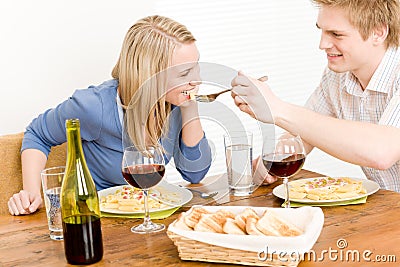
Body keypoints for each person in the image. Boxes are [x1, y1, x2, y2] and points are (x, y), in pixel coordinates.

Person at [8, 15, 212, 216]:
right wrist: (32, 191)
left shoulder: (175, 103)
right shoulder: (94, 107)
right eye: (185, 74)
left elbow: (194, 174)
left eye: (196, 67)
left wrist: (190, 109)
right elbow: (38, 134)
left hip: (150, 214)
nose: (197, 80)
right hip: (99, 221)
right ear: (150, 74)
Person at [231, 0, 400, 192]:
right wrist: (273, 161)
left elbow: (381, 151)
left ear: (378, 33)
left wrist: (277, 109)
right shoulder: (338, 77)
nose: (323, 44)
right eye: (322, 31)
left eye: (336, 34)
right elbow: (303, 133)